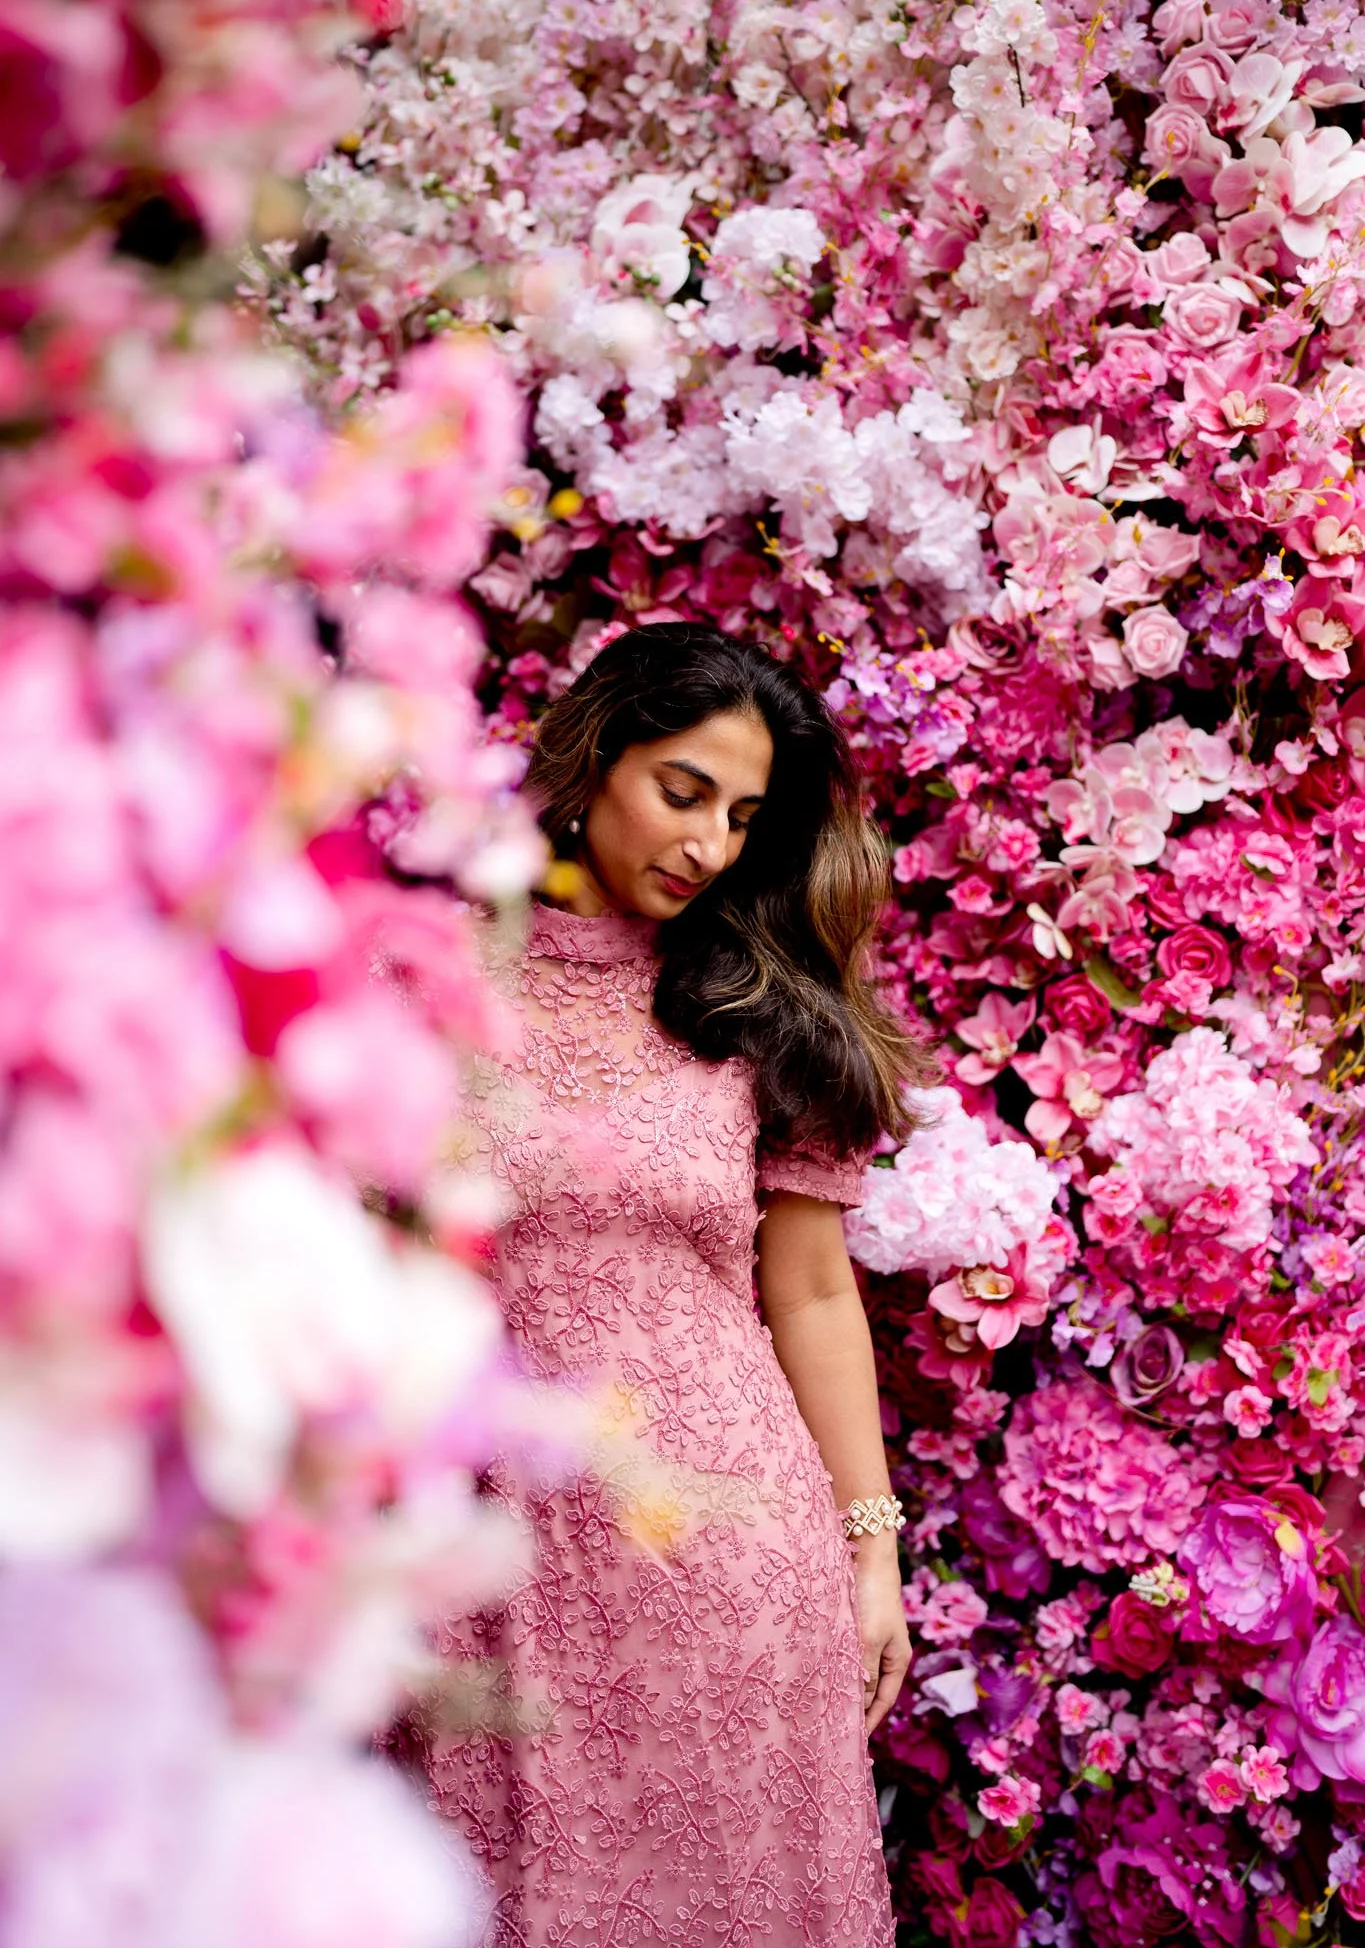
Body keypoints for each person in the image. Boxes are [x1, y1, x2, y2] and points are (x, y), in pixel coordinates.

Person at [419, 623, 927, 1945]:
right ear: (595, 760)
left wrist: (873, 1558)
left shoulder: (752, 1007)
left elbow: (812, 1294)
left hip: (734, 1570)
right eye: (682, 792)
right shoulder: (420, 981)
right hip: (492, 1569)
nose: (705, 846)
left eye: (743, 817)